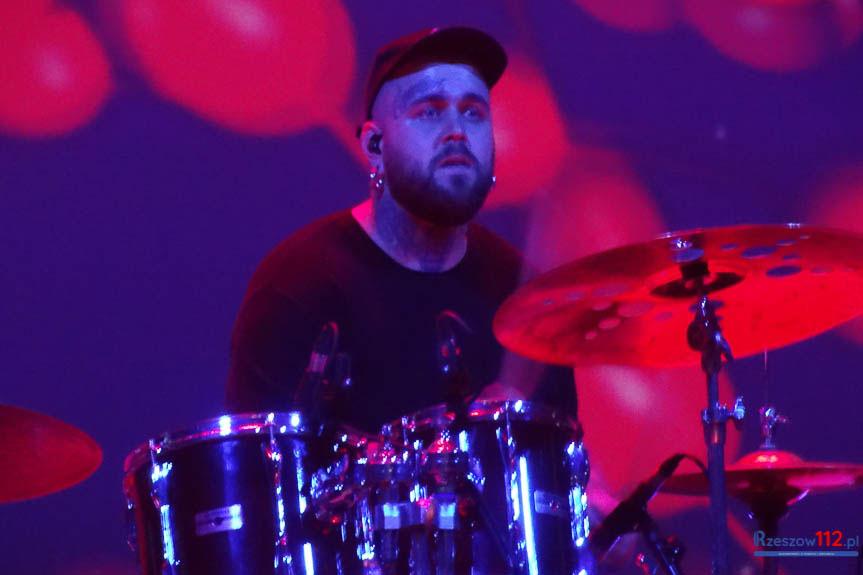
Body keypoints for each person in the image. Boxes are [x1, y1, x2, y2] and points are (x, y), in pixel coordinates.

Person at [226, 26, 575, 432]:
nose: (458, 131)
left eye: (473, 112)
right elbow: (257, 463)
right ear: (374, 146)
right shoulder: (297, 287)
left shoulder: (527, 305)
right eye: (429, 111)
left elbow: (564, 464)